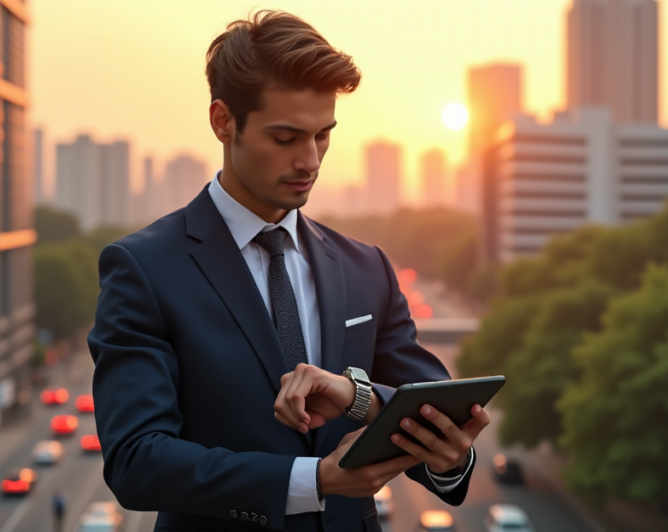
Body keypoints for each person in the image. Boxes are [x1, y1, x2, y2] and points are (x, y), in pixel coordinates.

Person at [88, 10, 491, 532]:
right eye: (286, 138)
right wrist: (313, 480)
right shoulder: (144, 268)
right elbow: (136, 462)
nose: (311, 160)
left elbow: (438, 413)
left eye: (323, 135)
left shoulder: (366, 266)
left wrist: (369, 405)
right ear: (222, 121)